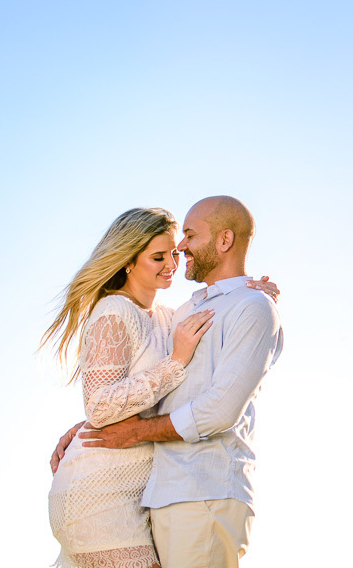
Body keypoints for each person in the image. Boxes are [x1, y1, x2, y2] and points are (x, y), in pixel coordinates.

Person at [47, 197, 283, 568]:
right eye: (160, 257)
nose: (175, 260)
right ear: (128, 260)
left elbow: (201, 402)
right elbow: (108, 402)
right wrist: (90, 425)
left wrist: (250, 290)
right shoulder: (138, 312)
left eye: (177, 248)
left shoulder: (182, 315)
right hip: (110, 495)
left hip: (164, 493)